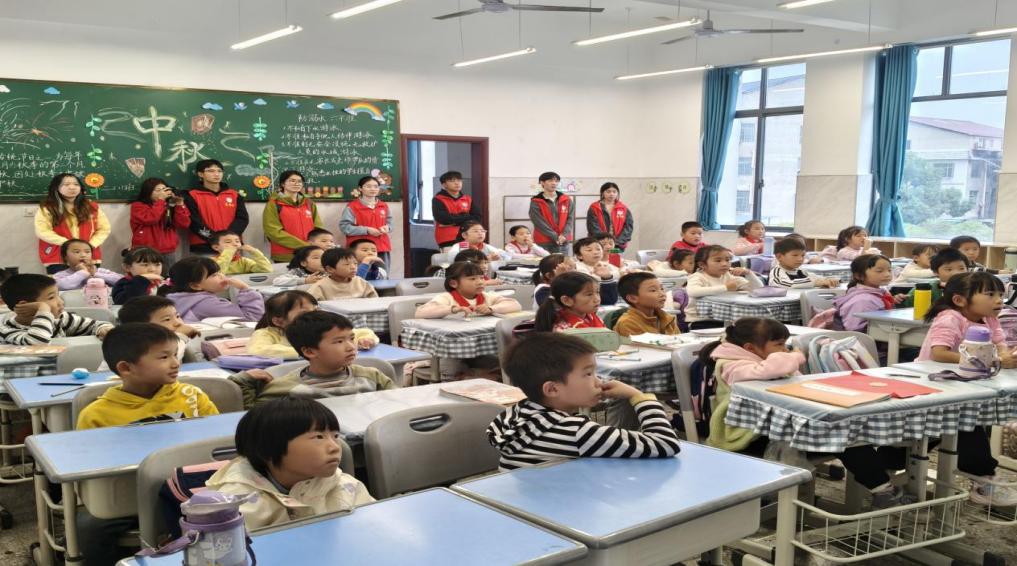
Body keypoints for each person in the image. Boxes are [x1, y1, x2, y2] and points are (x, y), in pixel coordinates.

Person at [703, 318, 914, 508]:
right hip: (749, 436)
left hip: (780, 426)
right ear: (750, 348)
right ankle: (883, 486)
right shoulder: (730, 366)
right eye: (779, 345)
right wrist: (795, 355)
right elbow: (772, 368)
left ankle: (885, 476)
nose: (784, 349)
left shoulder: (765, 359)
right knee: (838, 436)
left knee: (844, 433)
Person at [75, 323, 219, 565]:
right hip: (127, 498)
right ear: (125, 368)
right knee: (91, 527)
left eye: (175, 354)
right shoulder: (96, 414)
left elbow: (217, 438)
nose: (175, 363)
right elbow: (88, 470)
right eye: (164, 357)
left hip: (191, 489)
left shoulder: (192, 396)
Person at [487, 332, 680, 470]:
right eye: (588, 374)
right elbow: (665, 444)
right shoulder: (576, 432)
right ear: (552, 389)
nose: (599, 381)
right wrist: (638, 396)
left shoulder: (514, 414)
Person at [917, 272, 1017, 506]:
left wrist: (1006, 357)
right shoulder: (950, 318)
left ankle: (982, 477)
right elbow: (939, 353)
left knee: (967, 425)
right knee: (964, 425)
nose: (999, 300)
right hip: (933, 384)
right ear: (960, 300)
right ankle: (983, 479)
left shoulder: (988, 319)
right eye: (990, 294)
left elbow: (1000, 346)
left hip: (965, 386)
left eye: (1001, 294)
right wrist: (992, 362)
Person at [205, 398, 374, 530]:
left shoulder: (345, 486)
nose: (335, 447)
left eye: (335, 436)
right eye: (319, 437)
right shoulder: (237, 503)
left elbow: (373, 530)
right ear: (268, 449)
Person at [231, 311, 394, 407]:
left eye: (351, 338)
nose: (351, 347)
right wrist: (243, 382)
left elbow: (399, 404)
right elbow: (256, 420)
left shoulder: (371, 376)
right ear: (309, 351)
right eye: (339, 341)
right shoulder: (285, 389)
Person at [248, 290, 378, 359]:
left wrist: (365, 340)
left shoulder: (324, 328)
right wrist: (316, 352)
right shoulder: (266, 334)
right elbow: (258, 350)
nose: (314, 315)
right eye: (304, 312)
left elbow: (363, 332)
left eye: (316, 310)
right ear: (279, 321)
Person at [0, 273, 113, 344]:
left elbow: (95, 325)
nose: (61, 302)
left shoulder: (60, 319)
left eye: (58, 295)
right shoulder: (6, 330)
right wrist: (43, 309)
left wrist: (103, 329)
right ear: (25, 305)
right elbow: (37, 343)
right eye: (51, 297)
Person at [35, 173, 111, 273]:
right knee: (62, 283)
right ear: (56, 187)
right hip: (59, 258)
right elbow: (42, 231)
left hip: (88, 257)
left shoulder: (91, 207)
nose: (72, 187)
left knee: (90, 282)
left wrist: (90, 245)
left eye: (76, 184)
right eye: (66, 184)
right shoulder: (48, 208)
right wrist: (69, 244)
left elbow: (104, 229)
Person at [164, 256, 265, 322]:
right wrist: (245, 289)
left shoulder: (179, 298)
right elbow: (253, 317)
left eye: (219, 272)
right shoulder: (205, 304)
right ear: (196, 286)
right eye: (214, 275)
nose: (222, 276)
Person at [183, 159, 249, 254]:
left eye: (219, 171)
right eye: (211, 171)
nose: (216, 174)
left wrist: (228, 238)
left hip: (232, 246)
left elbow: (242, 218)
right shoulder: (192, 195)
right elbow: (194, 222)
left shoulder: (234, 195)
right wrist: (214, 239)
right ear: (200, 174)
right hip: (204, 246)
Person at [414, 261, 521, 318]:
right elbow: (420, 312)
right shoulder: (446, 298)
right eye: (472, 279)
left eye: (481, 278)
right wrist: (453, 309)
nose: (480, 282)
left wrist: (491, 309)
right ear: (453, 283)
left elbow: (515, 305)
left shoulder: (486, 296)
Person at [685, 245, 762, 323]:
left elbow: (758, 289)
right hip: (699, 320)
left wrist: (748, 273)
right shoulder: (698, 277)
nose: (724, 264)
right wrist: (725, 287)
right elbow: (693, 292)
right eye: (718, 261)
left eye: (727, 260)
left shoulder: (728, 275)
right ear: (702, 265)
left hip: (723, 318)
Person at [117, 295, 200, 363]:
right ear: (142, 327)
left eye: (177, 316)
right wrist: (181, 336)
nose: (178, 323)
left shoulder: (172, 342)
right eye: (167, 319)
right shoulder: (134, 347)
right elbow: (166, 360)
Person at [263, 170, 324, 262]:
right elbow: (273, 231)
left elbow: (318, 227)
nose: (296, 183)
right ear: (283, 184)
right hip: (285, 255)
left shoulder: (309, 203)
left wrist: (318, 243)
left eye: (299, 181)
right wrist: (304, 245)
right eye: (292, 181)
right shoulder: (273, 204)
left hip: (309, 254)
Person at [832, 254, 904, 332]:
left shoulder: (880, 293)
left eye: (889, 270)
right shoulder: (862, 301)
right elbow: (854, 331)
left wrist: (895, 300)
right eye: (879, 271)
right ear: (859, 276)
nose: (887, 274)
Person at [129, 177, 190, 268]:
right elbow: (151, 219)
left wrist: (180, 204)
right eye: (158, 190)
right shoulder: (138, 206)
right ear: (148, 192)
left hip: (168, 250)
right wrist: (161, 201)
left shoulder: (169, 205)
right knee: (147, 275)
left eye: (164, 189)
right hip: (145, 250)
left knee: (168, 276)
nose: (162, 192)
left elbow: (184, 224)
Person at [339, 176, 392, 266]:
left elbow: (390, 223)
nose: (373, 189)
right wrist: (367, 230)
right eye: (368, 186)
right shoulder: (352, 207)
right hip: (360, 250)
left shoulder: (383, 206)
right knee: (361, 273)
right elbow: (344, 227)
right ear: (360, 188)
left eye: (376, 186)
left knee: (382, 273)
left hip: (381, 247)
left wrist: (387, 228)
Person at [534, 272, 604, 331]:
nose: (597, 299)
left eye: (597, 292)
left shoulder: (590, 316)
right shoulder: (566, 329)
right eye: (589, 294)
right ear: (566, 300)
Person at [899, 248, 968, 308]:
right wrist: (900, 299)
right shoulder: (929, 287)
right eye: (949, 269)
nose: (956, 273)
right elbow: (908, 302)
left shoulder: (971, 287)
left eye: (961, 268)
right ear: (935, 272)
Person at [614, 272, 677, 336]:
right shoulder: (627, 323)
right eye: (653, 290)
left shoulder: (666, 317)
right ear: (633, 298)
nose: (662, 294)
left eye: (662, 289)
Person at [432, 170, 481, 248]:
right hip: (447, 238)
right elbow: (443, 219)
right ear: (444, 185)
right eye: (452, 181)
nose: (457, 183)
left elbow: (477, 217)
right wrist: (467, 216)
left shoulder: (467, 199)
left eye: (459, 180)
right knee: (452, 255)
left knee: (466, 254)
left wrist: (454, 219)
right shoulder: (438, 199)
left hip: (466, 237)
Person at [528, 171, 574, 255]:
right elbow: (538, 222)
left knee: (563, 262)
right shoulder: (536, 201)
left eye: (556, 181)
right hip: (544, 240)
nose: (554, 183)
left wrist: (564, 235)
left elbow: (570, 219)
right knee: (545, 262)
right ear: (542, 183)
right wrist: (555, 236)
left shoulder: (566, 199)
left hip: (563, 239)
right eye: (550, 180)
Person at [307, 248, 379, 301]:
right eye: (347, 264)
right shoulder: (320, 286)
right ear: (330, 269)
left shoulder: (361, 282)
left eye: (355, 263)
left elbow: (374, 301)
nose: (353, 267)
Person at [52, 239, 122, 291]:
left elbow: (121, 280)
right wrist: (83, 273)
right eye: (77, 252)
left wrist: (95, 274)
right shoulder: (60, 275)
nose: (83, 255)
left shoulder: (99, 271)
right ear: (65, 256)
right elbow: (60, 286)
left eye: (87, 252)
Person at [768, 238, 839, 289]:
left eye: (803, 255)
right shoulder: (776, 272)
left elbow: (813, 277)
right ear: (779, 257)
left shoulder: (800, 270)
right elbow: (783, 284)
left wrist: (827, 280)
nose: (800, 259)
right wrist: (815, 282)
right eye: (795, 255)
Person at [585, 182, 633, 252]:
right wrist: (605, 243)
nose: (611, 194)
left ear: (617, 193)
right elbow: (592, 227)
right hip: (599, 244)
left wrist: (617, 242)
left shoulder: (623, 208)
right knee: (600, 259)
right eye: (608, 191)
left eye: (614, 192)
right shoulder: (594, 208)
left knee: (615, 259)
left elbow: (628, 227)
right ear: (602, 193)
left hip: (618, 245)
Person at [442, 220, 511, 264]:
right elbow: (454, 259)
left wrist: (498, 257)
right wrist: (485, 259)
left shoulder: (485, 246)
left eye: (482, 231)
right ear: (464, 235)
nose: (480, 233)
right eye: (476, 231)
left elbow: (507, 256)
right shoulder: (461, 246)